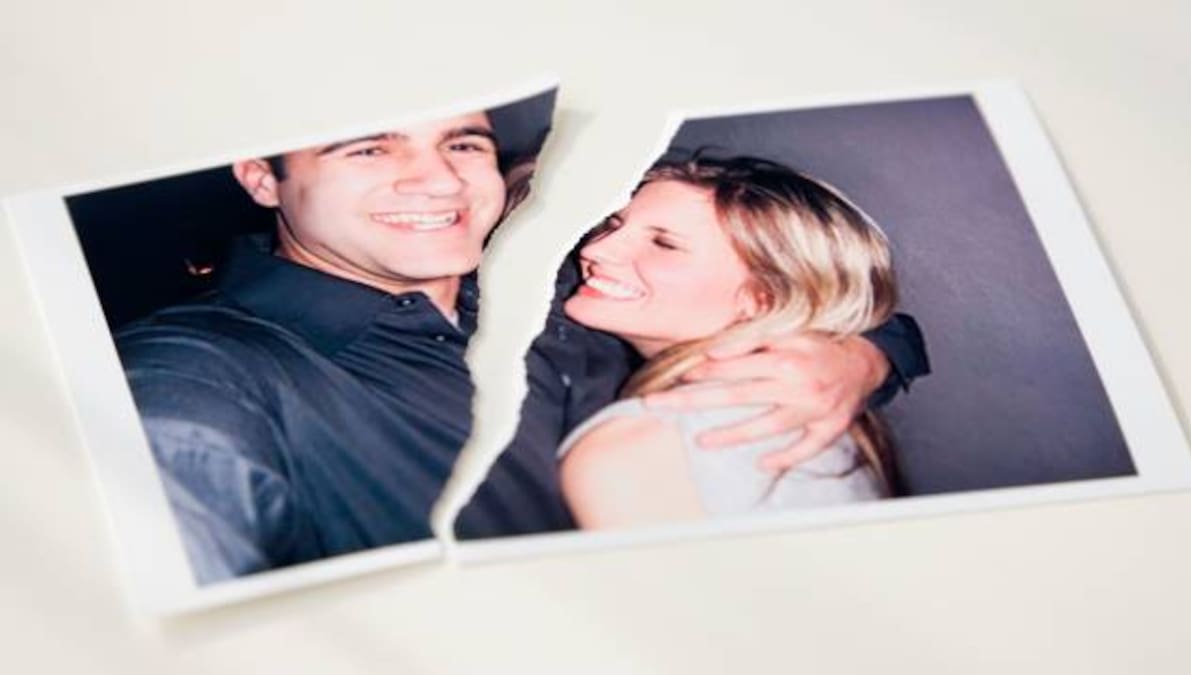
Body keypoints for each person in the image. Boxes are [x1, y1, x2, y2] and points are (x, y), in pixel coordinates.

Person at [115, 104, 928, 582]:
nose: (438, 180)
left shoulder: (557, 282)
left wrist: (858, 352)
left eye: (462, 143)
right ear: (263, 176)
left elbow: (783, 284)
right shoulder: (199, 375)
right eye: (368, 145)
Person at [557, 156, 900, 529]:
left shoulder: (641, 446)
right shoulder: (805, 409)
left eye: (664, 244)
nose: (595, 250)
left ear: (761, 299)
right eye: (613, 224)